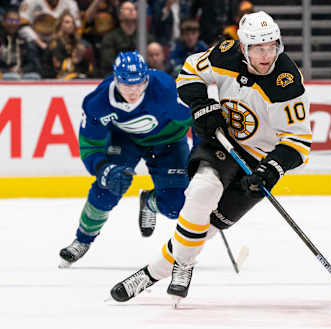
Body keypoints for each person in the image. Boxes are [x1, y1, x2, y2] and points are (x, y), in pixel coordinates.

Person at [110, 11, 312, 304]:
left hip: (262, 160)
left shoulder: (288, 82)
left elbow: (298, 141)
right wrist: (203, 105)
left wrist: (272, 169)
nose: (266, 55)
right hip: (224, 140)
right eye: (258, 48)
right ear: (244, 47)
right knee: (203, 192)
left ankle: (159, 270)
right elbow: (190, 71)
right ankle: (167, 270)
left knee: (210, 226)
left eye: (271, 47)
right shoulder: (226, 54)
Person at [59, 51, 193, 266]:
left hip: (169, 142)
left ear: (146, 79)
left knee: (175, 206)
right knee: (109, 187)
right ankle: (82, 240)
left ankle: (149, 202)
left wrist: (200, 152)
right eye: (127, 85)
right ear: (115, 80)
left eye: (139, 84)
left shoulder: (165, 88)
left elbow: (196, 117)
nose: (134, 91)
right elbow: (89, 146)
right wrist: (103, 169)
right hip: (125, 141)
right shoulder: (97, 102)